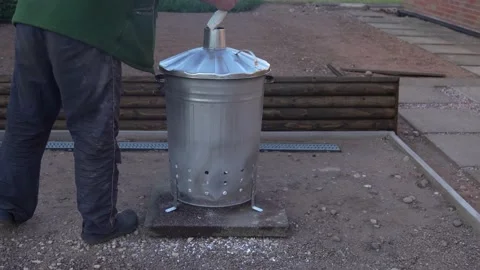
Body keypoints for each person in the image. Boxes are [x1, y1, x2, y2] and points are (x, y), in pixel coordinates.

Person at [0, 0, 237, 245]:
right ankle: (100, 224)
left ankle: (9, 205)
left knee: (26, 118)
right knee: (93, 126)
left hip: (32, 14)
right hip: (85, 22)